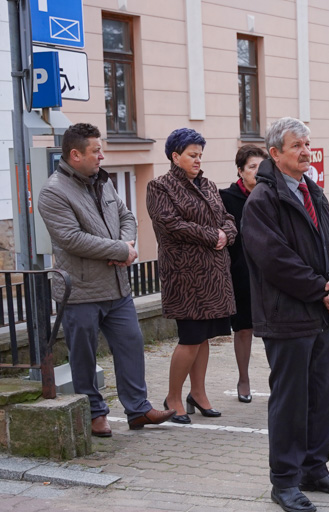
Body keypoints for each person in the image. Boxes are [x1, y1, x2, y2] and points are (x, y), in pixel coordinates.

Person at [242, 117, 329, 512]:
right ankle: (285, 481)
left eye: (308, 143)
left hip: (321, 315)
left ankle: (314, 469)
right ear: (275, 154)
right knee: (290, 401)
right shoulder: (264, 200)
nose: (306, 152)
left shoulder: (314, 191)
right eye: (297, 146)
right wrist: (320, 290)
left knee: (322, 397)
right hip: (288, 316)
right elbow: (274, 260)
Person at [38, 123, 175, 437]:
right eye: (96, 151)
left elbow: (126, 216)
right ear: (75, 155)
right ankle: (95, 412)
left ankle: (138, 409)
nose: (102, 155)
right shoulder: (53, 191)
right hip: (81, 290)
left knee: (131, 343)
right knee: (83, 354)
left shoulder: (103, 181)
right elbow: (71, 238)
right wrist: (118, 249)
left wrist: (126, 247)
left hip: (117, 285)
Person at [147, 128, 236, 424]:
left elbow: (227, 218)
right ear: (176, 156)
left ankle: (197, 393)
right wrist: (214, 235)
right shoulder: (160, 187)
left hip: (214, 274)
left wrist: (227, 233)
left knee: (205, 337)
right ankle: (172, 396)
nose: (198, 160)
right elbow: (170, 224)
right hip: (185, 276)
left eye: (200, 155)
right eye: (192, 155)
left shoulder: (208, 185)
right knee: (190, 337)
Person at [220, 145, 268, 403]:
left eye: (262, 168)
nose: (257, 173)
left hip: (270, 273)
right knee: (244, 329)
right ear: (240, 171)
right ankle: (243, 378)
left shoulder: (272, 195)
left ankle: (279, 378)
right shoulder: (225, 198)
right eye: (252, 167)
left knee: (274, 328)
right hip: (239, 274)